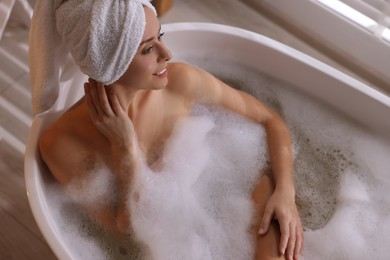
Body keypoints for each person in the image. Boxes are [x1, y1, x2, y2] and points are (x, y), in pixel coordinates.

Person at [38, 2, 303, 260]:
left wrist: (286, 194)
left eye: (160, 36)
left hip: (237, 193)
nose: (167, 54)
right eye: (148, 48)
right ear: (108, 63)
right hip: (175, 240)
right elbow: (128, 234)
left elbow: (270, 121)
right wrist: (127, 148)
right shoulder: (62, 143)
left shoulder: (180, 83)